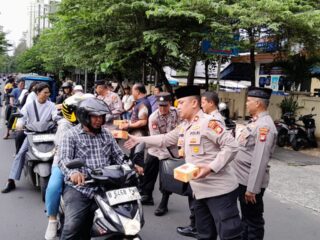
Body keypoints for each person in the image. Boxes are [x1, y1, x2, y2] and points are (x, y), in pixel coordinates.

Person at [124, 85, 242, 240]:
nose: (177, 107)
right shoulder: (185, 126)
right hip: (199, 191)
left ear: (194, 103)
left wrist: (211, 168)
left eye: (180, 103)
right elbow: (165, 139)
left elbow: (232, 146)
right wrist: (139, 139)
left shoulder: (209, 122)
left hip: (219, 191)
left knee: (230, 236)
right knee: (205, 234)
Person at [58, 98, 126, 240]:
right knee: (72, 226)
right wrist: (73, 173)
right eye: (95, 117)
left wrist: (131, 165)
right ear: (84, 116)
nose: (99, 120)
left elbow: (118, 155)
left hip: (106, 186)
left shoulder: (106, 134)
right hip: (81, 187)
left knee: (122, 220)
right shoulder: (71, 135)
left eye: (101, 117)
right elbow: (63, 159)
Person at [44, 94, 94, 240]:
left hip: (86, 164)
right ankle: (52, 220)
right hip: (63, 162)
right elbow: (63, 154)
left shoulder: (93, 125)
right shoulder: (65, 125)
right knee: (53, 186)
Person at [232, 87, 277, 240]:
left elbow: (260, 160)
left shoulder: (265, 126)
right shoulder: (256, 122)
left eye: (249, 101)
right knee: (246, 218)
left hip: (250, 183)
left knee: (253, 221)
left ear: (257, 103)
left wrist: (252, 189)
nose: (246, 104)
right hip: (244, 179)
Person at [1, 83, 59, 193]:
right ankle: (11, 181)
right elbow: (22, 118)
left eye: (48, 92)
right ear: (38, 93)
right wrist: (19, 124)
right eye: (45, 92)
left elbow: (55, 115)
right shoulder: (29, 106)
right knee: (20, 154)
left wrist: (60, 121)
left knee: (60, 153)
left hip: (49, 135)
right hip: (32, 135)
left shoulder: (51, 105)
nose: (48, 94)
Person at [140, 92, 180, 216]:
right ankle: (147, 195)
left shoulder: (177, 113)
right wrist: (165, 155)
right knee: (149, 173)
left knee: (166, 178)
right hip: (156, 149)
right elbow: (158, 141)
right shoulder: (153, 117)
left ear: (170, 104)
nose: (162, 109)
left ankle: (164, 203)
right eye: (160, 105)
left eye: (165, 105)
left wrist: (171, 156)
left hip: (172, 151)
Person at [119, 83, 152, 170]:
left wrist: (129, 124)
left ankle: (141, 181)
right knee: (134, 157)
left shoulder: (143, 104)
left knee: (137, 159)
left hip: (139, 135)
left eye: (133, 91)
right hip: (136, 135)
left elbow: (143, 122)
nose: (131, 93)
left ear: (137, 91)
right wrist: (129, 121)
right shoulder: (140, 102)